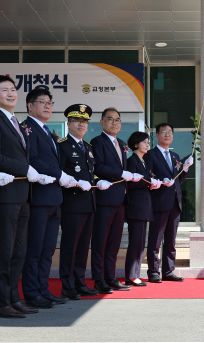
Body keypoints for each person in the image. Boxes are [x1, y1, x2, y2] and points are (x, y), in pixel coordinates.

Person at [0, 76, 41, 318]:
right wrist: (24, 169)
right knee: (5, 250)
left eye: (13, 89)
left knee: (19, 251)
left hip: (22, 194)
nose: (11, 93)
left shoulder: (16, 122)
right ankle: (0, 302)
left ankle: (13, 298)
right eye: (4, 90)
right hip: (4, 195)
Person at [21, 88, 73, 308]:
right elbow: (32, 159)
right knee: (34, 249)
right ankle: (32, 293)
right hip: (38, 198)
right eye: (42, 102)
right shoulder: (26, 129)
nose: (47, 106)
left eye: (50, 102)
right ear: (30, 106)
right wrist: (59, 174)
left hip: (54, 199)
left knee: (48, 249)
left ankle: (43, 289)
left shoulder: (48, 132)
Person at [90, 108, 138, 294]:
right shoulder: (97, 142)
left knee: (114, 242)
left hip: (120, 199)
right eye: (110, 119)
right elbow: (99, 167)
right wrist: (121, 173)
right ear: (102, 122)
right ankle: (98, 279)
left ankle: (110, 277)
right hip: (105, 199)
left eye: (117, 120)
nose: (114, 123)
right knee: (100, 241)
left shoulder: (122, 143)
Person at [58, 104, 99, 299]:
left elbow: (91, 175)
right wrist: (74, 183)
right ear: (69, 123)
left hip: (89, 204)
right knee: (70, 247)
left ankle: (79, 282)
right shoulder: (63, 146)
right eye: (77, 121)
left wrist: (100, 182)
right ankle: (67, 285)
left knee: (83, 247)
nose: (82, 124)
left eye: (84, 121)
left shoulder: (88, 147)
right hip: (72, 205)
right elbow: (60, 175)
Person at [144, 123, 193, 283]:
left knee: (171, 241)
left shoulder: (175, 157)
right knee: (155, 239)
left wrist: (185, 169)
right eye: (163, 132)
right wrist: (158, 181)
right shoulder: (150, 155)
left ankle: (168, 271)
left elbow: (177, 181)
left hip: (175, 203)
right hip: (159, 202)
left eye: (170, 132)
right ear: (156, 135)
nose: (167, 134)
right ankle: (153, 272)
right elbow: (146, 177)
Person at [124, 131, 161, 286]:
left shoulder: (143, 161)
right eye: (144, 142)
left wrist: (151, 183)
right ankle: (131, 276)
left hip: (144, 206)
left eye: (148, 142)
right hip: (136, 207)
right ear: (135, 144)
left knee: (140, 243)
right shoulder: (132, 161)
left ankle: (134, 274)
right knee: (135, 242)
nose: (147, 144)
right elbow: (131, 183)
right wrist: (148, 182)